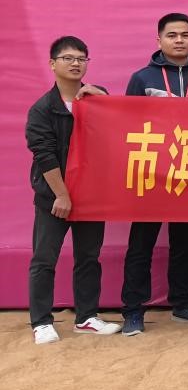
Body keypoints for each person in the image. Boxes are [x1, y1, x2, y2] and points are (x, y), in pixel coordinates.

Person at [120, 12, 188, 335]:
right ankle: (133, 309)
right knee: (141, 245)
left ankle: (182, 304)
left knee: (184, 244)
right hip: (152, 174)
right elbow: (126, 124)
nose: (179, 40)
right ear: (159, 40)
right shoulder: (142, 78)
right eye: (172, 35)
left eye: (185, 35)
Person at [26, 36, 120, 344]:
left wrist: (103, 99)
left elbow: (117, 131)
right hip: (53, 198)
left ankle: (86, 317)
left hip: (91, 196)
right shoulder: (43, 109)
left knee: (89, 257)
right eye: (67, 58)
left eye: (81, 58)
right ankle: (41, 322)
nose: (75, 63)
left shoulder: (96, 99)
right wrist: (62, 195)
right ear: (53, 64)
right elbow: (44, 155)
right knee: (44, 259)